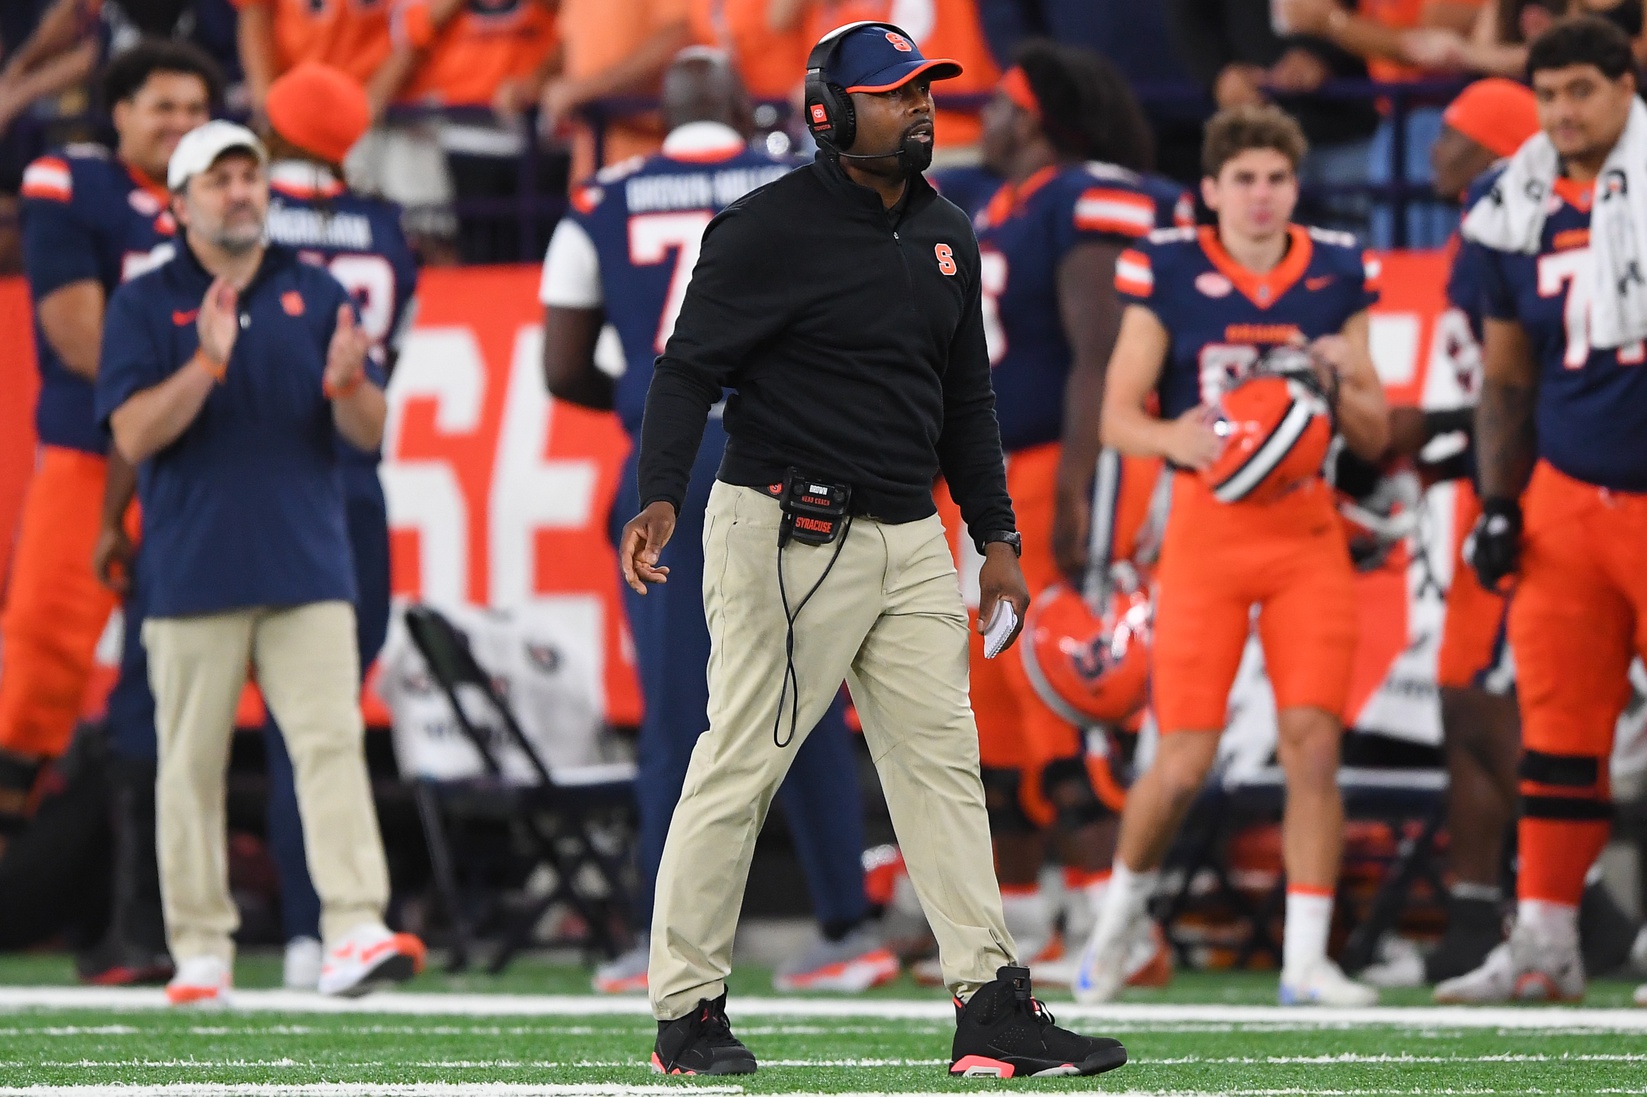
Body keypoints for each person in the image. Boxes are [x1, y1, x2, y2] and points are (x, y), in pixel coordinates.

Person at [619, 21, 1125, 1078]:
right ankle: (687, 1009)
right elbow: (684, 369)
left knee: (943, 771)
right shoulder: (763, 228)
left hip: (910, 533)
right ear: (829, 112)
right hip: (785, 531)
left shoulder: (948, 228)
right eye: (895, 94)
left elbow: (968, 400)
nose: (922, 107)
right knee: (740, 764)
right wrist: (659, 492)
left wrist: (996, 536)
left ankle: (990, 1004)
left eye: (926, 89)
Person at [539, 46, 893, 996]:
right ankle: (846, 925)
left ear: (661, 115)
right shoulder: (801, 179)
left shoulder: (604, 196)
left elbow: (562, 363)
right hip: (798, 446)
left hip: (675, 458)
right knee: (801, 688)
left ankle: (669, 937)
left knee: (676, 708)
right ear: (744, 109)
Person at [92, 60, 420, 992]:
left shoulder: (314, 292)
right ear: (181, 202)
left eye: (250, 176)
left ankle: (355, 924)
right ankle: (201, 939)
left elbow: (368, 429)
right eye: (221, 179)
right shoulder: (143, 301)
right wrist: (204, 364)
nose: (242, 192)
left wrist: (352, 384)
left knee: (329, 748)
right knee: (187, 765)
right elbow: (131, 431)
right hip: (191, 565)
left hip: (307, 559)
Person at [1083, 103, 1391, 1007]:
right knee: (1179, 759)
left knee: (1312, 747)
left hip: (1303, 533)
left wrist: (1338, 377)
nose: (1260, 197)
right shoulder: (1170, 266)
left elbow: (1373, 429)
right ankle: (1112, 930)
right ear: (1210, 190)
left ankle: (1303, 961)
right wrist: (1170, 439)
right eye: (1243, 180)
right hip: (1207, 536)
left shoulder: (1334, 271)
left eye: (1275, 180)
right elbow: (1115, 416)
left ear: (1295, 188)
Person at [953, 40, 1188, 985]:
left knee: (1067, 689)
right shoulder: (995, 203)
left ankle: (1116, 921)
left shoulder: (1087, 192)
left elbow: (1100, 349)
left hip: (1062, 465)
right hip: (994, 474)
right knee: (993, 714)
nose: (990, 119)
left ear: (1042, 114)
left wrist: (1085, 489)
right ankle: (1023, 924)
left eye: (1004, 104)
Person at [1431, 16, 1647, 1005]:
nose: (1562, 114)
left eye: (1582, 94)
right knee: (1559, 724)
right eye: (1548, 94)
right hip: (1566, 488)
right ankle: (1548, 941)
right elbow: (1507, 372)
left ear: (1624, 85)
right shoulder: (1510, 200)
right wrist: (1502, 500)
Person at [0, 40, 212, 883]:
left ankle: (128, 893)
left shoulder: (226, 191)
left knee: (180, 685)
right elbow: (75, 331)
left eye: (196, 110)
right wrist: (194, 378)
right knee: (36, 675)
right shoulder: (75, 183)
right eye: (163, 106)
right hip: (93, 457)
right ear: (118, 112)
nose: (181, 125)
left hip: (197, 469)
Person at [1368, 76, 1539, 986]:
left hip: (1534, 490)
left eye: (1452, 133)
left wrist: (1437, 436)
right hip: (1495, 483)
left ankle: (1579, 901)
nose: (1431, 148)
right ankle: (1479, 915)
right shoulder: (1482, 220)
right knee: (1462, 697)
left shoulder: (1502, 219)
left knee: (1494, 703)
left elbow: (1528, 379)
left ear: (1493, 148)